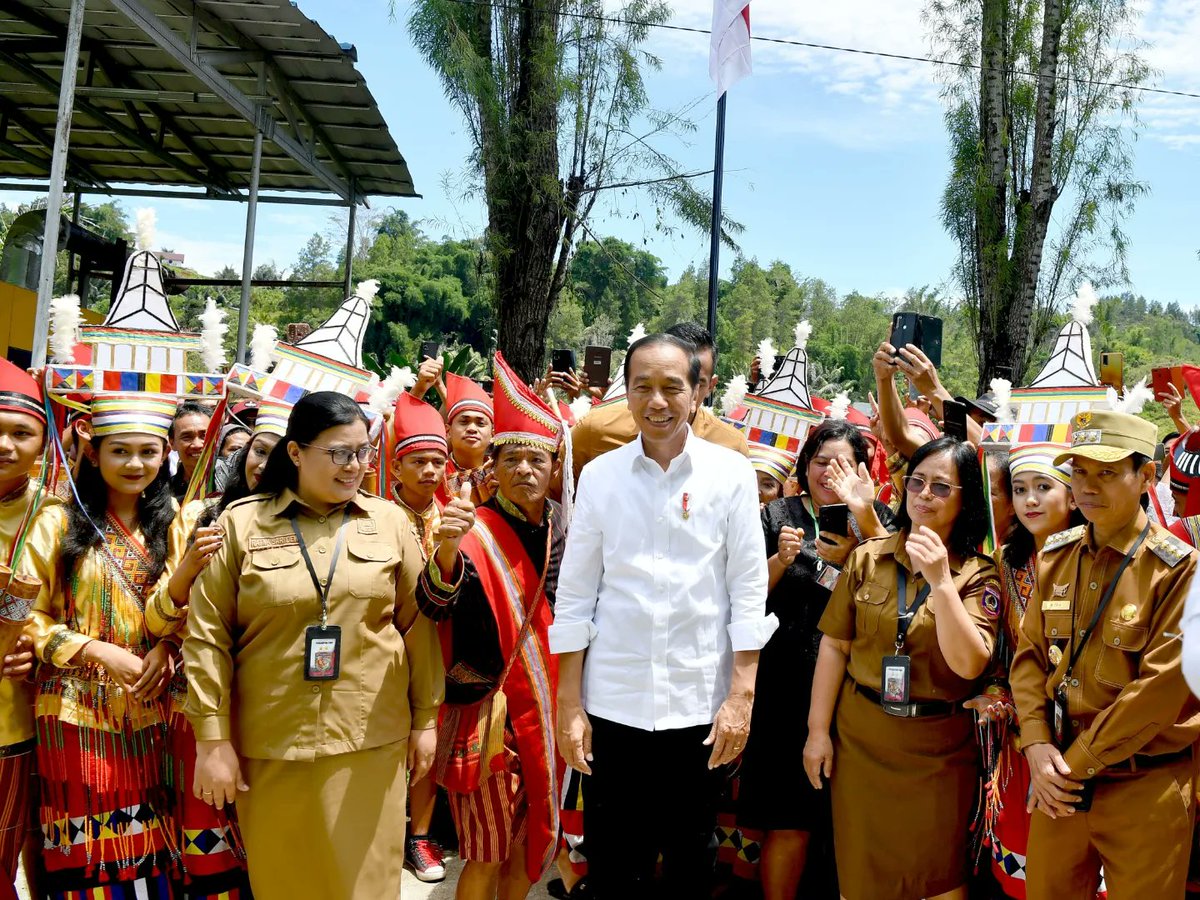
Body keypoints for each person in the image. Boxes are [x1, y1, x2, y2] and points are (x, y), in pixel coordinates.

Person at [184, 391, 444, 900]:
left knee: (367, 886)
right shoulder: (241, 523)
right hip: (272, 743)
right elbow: (208, 633)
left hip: (371, 739)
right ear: (296, 453)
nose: (355, 467)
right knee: (286, 883)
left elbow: (418, 627)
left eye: (363, 452)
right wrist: (212, 739)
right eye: (339, 453)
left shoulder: (390, 522)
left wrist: (426, 718)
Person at [552, 333, 776, 900]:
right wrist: (570, 702)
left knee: (690, 866)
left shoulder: (730, 474)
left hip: (699, 710)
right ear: (624, 395)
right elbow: (576, 596)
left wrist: (740, 696)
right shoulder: (601, 477)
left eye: (672, 387)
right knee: (612, 866)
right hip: (614, 707)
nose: (657, 402)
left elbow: (748, 592)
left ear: (698, 393)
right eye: (642, 387)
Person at [1010, 410, 1200, 900]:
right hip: (1059, 783)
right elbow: (1030, 657)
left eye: (1107, 472)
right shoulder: (1056, 554)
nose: (1087, 486)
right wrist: (1034, 744)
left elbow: (1159, 691)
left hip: (1143, 785)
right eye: (1078, 471)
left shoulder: (1179, 571)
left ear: (1147, 477)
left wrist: (1067, 766)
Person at [804, 437, 999, 900]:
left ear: (966, 497)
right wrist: (816, 732)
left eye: (941, 487)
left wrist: (941, 583)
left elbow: (970, 662)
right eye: (917, 482)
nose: (924, 494)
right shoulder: (868, 557)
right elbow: (834, 646)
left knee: (937, 881)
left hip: (938, 753)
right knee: (861, 878)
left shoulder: (977, 574)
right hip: (861, 745)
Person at [417, 353, 567, 900]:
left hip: (544, 715)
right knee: (484, 854)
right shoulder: (473, 530)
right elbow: (433, 603)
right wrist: (448, 549)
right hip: (487, 718)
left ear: (554, 469)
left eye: (537, 460)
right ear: (492, 467)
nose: (525, 470)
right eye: (512, 460)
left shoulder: (560, 529)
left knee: (526, 850)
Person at [21, 393, 183, 897]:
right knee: (89, 846)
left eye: (148, 452)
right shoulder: (56, 520)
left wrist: (168, 646)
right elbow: (23, 615)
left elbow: (188, 602)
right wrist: (95, 650)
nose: (135, 464)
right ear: (93, 452)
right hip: (75, 710)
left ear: (165, 455)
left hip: (153, 702)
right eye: (120, 451)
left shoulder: (173, 518)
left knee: (155, 837)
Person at [742, 420, 893, 900]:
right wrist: (780, 562)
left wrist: (859, 543)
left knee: (847, 818)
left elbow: (897, 590)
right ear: (804, 466)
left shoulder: (880, 519)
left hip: (856, 687)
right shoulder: (775, 516)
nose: (829, 472)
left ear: (864, 471)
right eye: (820, 461)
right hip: (785, 683)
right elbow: (743, 599)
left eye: (843, 463)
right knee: (789, 818)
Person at [971, 443, 1081, 898]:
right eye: (1019, 490)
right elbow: (998, 653)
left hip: (1085, 738)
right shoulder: (1002, 563)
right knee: (1023, 861)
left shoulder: (1097, 560)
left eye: (1042, 487)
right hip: (1020, 739)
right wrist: (995, 694)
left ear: (1073, 496)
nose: (1029, 500)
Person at [0, 361, 56, 900]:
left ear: (44, 440)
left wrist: (40, 649)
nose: (5, 445)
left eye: (21, 433)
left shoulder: (58, 516)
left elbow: (83, 613)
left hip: (16, 721)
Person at [390, 392, 451, 884]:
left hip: (442, 646)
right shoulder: (374, 514)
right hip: (390, 645)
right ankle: (389, 831)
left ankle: (421, 835)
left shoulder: (451, 515)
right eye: (419, 461)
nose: (429, 471)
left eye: (437, 461)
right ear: (397, 463)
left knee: (428, 741)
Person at [570, 323, 749, 481]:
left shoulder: (731, 447)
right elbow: (556, 503)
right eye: (646, 386)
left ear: (711, 385)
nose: (659, 402)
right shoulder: (594, 429)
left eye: (674, 387)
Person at [437, 371, 495, 507]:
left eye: (480, 423)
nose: (472, 428)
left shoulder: (500, 475)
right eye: (464, 422)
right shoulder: (434, 473)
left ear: (492, 434)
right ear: (448, 430)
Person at [169, 400, 213, 500]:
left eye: (204, 436)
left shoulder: (230, 483)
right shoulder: (165, 493)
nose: (197, 445)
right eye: (187, 437)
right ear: (172, 443)